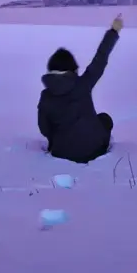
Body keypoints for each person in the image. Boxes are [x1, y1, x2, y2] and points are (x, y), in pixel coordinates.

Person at [37, 14, 123, 164]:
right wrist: (114, 31)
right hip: (95, 149)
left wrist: (55, 139)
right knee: (105, 119)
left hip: (62, 152)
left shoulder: (46, 96)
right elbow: (100, 59)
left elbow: (44, 128)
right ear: (72, 69)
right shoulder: (83, 84)